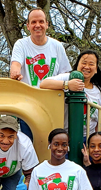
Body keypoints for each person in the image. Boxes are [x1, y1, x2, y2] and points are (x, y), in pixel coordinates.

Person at [10, 7, 71, 138]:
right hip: (28, 103)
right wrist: (15, 72)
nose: (38, 25)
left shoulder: (57, 46)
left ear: (47, 24)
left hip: (52, 103)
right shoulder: (21, 44)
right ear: (28, 26)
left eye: (41, 22)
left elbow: (66, 73)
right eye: (33, 22)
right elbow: (16, 64)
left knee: (53, 143)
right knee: (30, 142)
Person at [40, 49, 101, 135]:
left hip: (87, 137)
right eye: (84, 63)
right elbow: (44, 84)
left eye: (91, 64)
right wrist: (67, 85)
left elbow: (98, 120)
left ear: (96, 69)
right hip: (65, 134)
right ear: (77, 65)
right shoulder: (68, 77)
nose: (86, 67)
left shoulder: (98, 91)